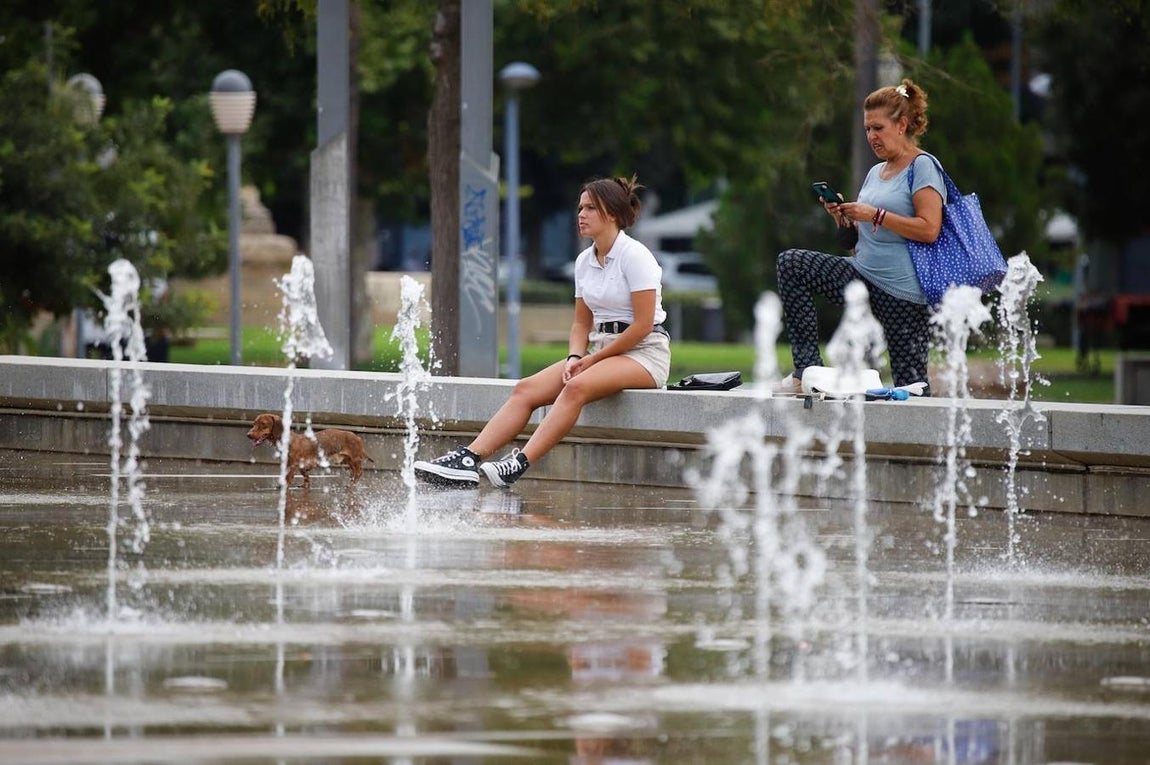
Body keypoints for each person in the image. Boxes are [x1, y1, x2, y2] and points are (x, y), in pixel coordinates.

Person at [414, 175, 671, 489]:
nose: (581, 214)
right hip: (600, 351)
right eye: (580, 207)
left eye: (590, 208)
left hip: (645, 354)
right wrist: (575, 356)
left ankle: (518, 464)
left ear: (613, 214)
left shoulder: (636, 256)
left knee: (575, 388)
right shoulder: (583, 262)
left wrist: (590, 361)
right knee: (525, 389)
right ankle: (468, 459)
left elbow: (643, 326)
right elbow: (581, 323)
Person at [775, 78, 945, 393]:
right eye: (867, 129)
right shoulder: (874, 173)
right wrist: (843, 220)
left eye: (878, 128)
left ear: (901, 125)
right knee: (792, 264)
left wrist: (875, 214)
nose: (871, 136)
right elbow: (854, 245)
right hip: (862, 278)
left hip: (902, 295)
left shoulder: (923, 167)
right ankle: (805, 371)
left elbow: (929, 229)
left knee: (913, 387)